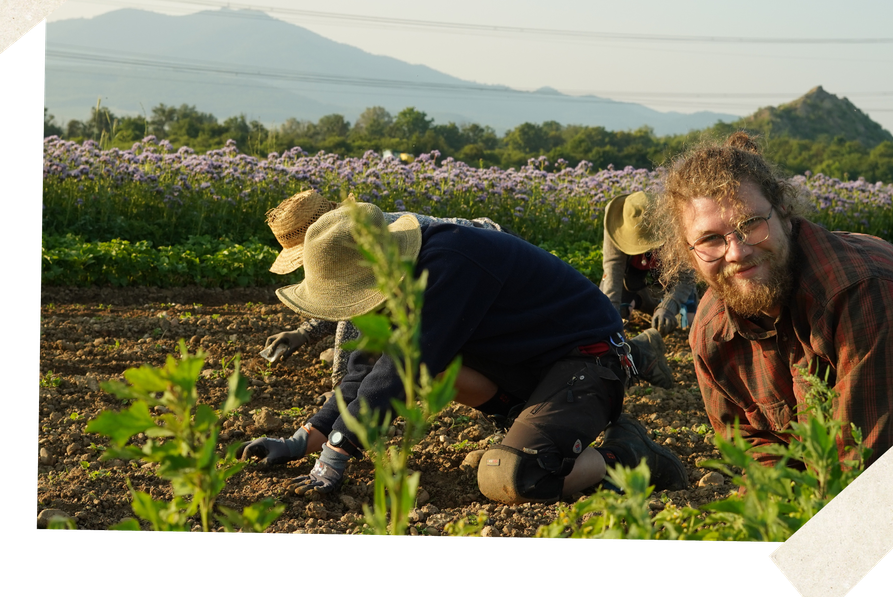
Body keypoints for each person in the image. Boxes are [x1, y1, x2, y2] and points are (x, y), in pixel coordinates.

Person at [240, 203, 689, 502]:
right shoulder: (399, 273)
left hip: (587, 362)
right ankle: (523, 428)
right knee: (425, 374)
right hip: (532, 365)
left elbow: (407, 363)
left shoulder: (450, 263)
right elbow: (368, 366)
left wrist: (338, 452)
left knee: (516, 478)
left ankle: (630, 455)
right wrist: (307, 438)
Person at [648, 132, 893, 472]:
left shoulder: (861, 291)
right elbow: (753, 453)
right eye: (710, 239)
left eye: (751, 224)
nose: (737, 252)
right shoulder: (711, 334)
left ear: (784, 214)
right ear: (689, 254)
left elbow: (863, 467)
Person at [259, 189, 508, 386]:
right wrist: (304, 332)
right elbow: (343, 298)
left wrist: (342, 386)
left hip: (492, 253)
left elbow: (354, 309)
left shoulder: (365, 237)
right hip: (470, 260)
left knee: (466, 351)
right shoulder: (347, 235)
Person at [601, 191, 696, 338]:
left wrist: (669, 306)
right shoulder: (617, 223)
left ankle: (657, 305)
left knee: (689, 321)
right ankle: (636, 301)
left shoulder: (675, 224)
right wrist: (610, 313)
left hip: (666, 273)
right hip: (633, 273)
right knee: (614, 310)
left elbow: (687, 274)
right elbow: (613, 268)